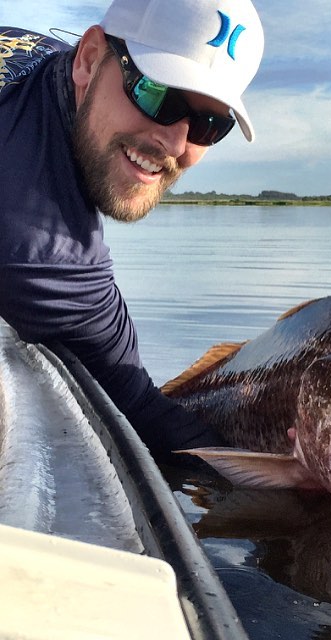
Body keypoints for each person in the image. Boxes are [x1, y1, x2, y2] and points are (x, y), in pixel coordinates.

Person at [0, 0, 264, 460]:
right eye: (157, 94)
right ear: (88, 59)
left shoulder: (47, 66)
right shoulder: (36, 247)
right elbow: (138, 406)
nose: (176, 144)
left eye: (208, 125)